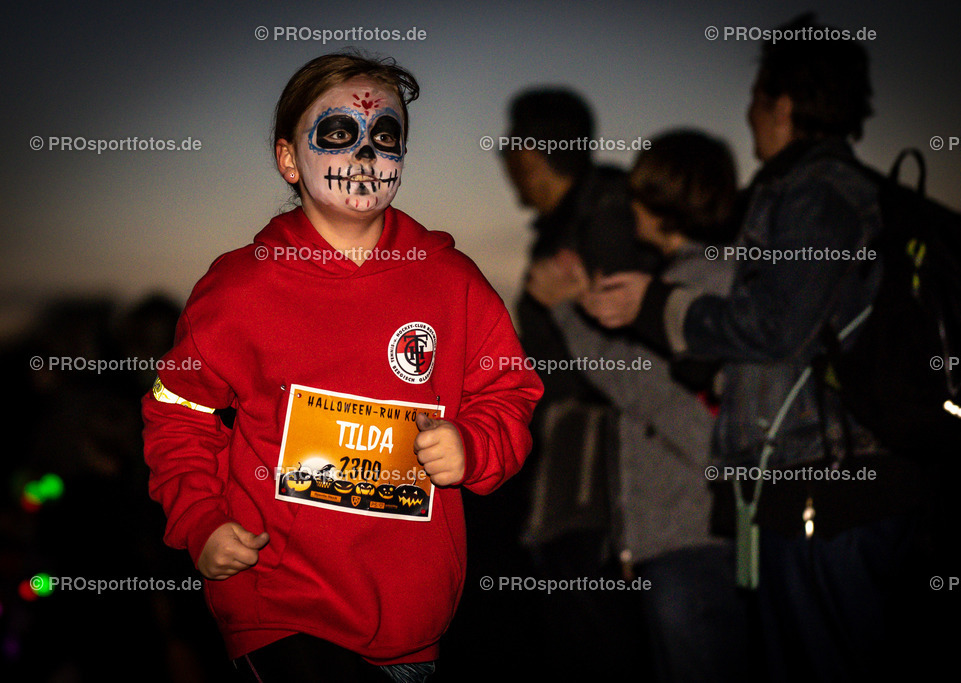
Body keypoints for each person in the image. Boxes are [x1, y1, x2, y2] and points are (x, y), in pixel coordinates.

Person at [141, 51, 543, 683]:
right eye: (337, 134)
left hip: (412, 623)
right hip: (278, 604)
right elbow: (178, 411)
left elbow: (509, 391)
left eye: (386, 137)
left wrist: (476, 443)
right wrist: (200, 518)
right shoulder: (238, 289)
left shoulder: (451, 283)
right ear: (288, 159)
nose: (364, 155)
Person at [582, 15, 928, 681]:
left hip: (826, 505)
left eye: (755, 97)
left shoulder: (816, 193)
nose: (747, 115)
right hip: (823, 498)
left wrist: (656, 305)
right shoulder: (832, 191)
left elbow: (775, 325)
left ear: (783, 106)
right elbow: (798, 338)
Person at [527, 130, 747, 682]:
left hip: (694, 539)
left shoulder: (702, 281)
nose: (630, 204)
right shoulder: (698, 277)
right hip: (689, 538)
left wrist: (566, 311)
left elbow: (649, 394)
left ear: (667, 200)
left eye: (642, 191)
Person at [497, 87, 659, 679]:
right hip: (576, 473)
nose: (504, 160)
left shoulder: (606, 217)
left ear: (531, 155)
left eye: (510, 147)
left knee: (597, 639)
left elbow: (629, 358)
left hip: (597, 482)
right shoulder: (574, 220)